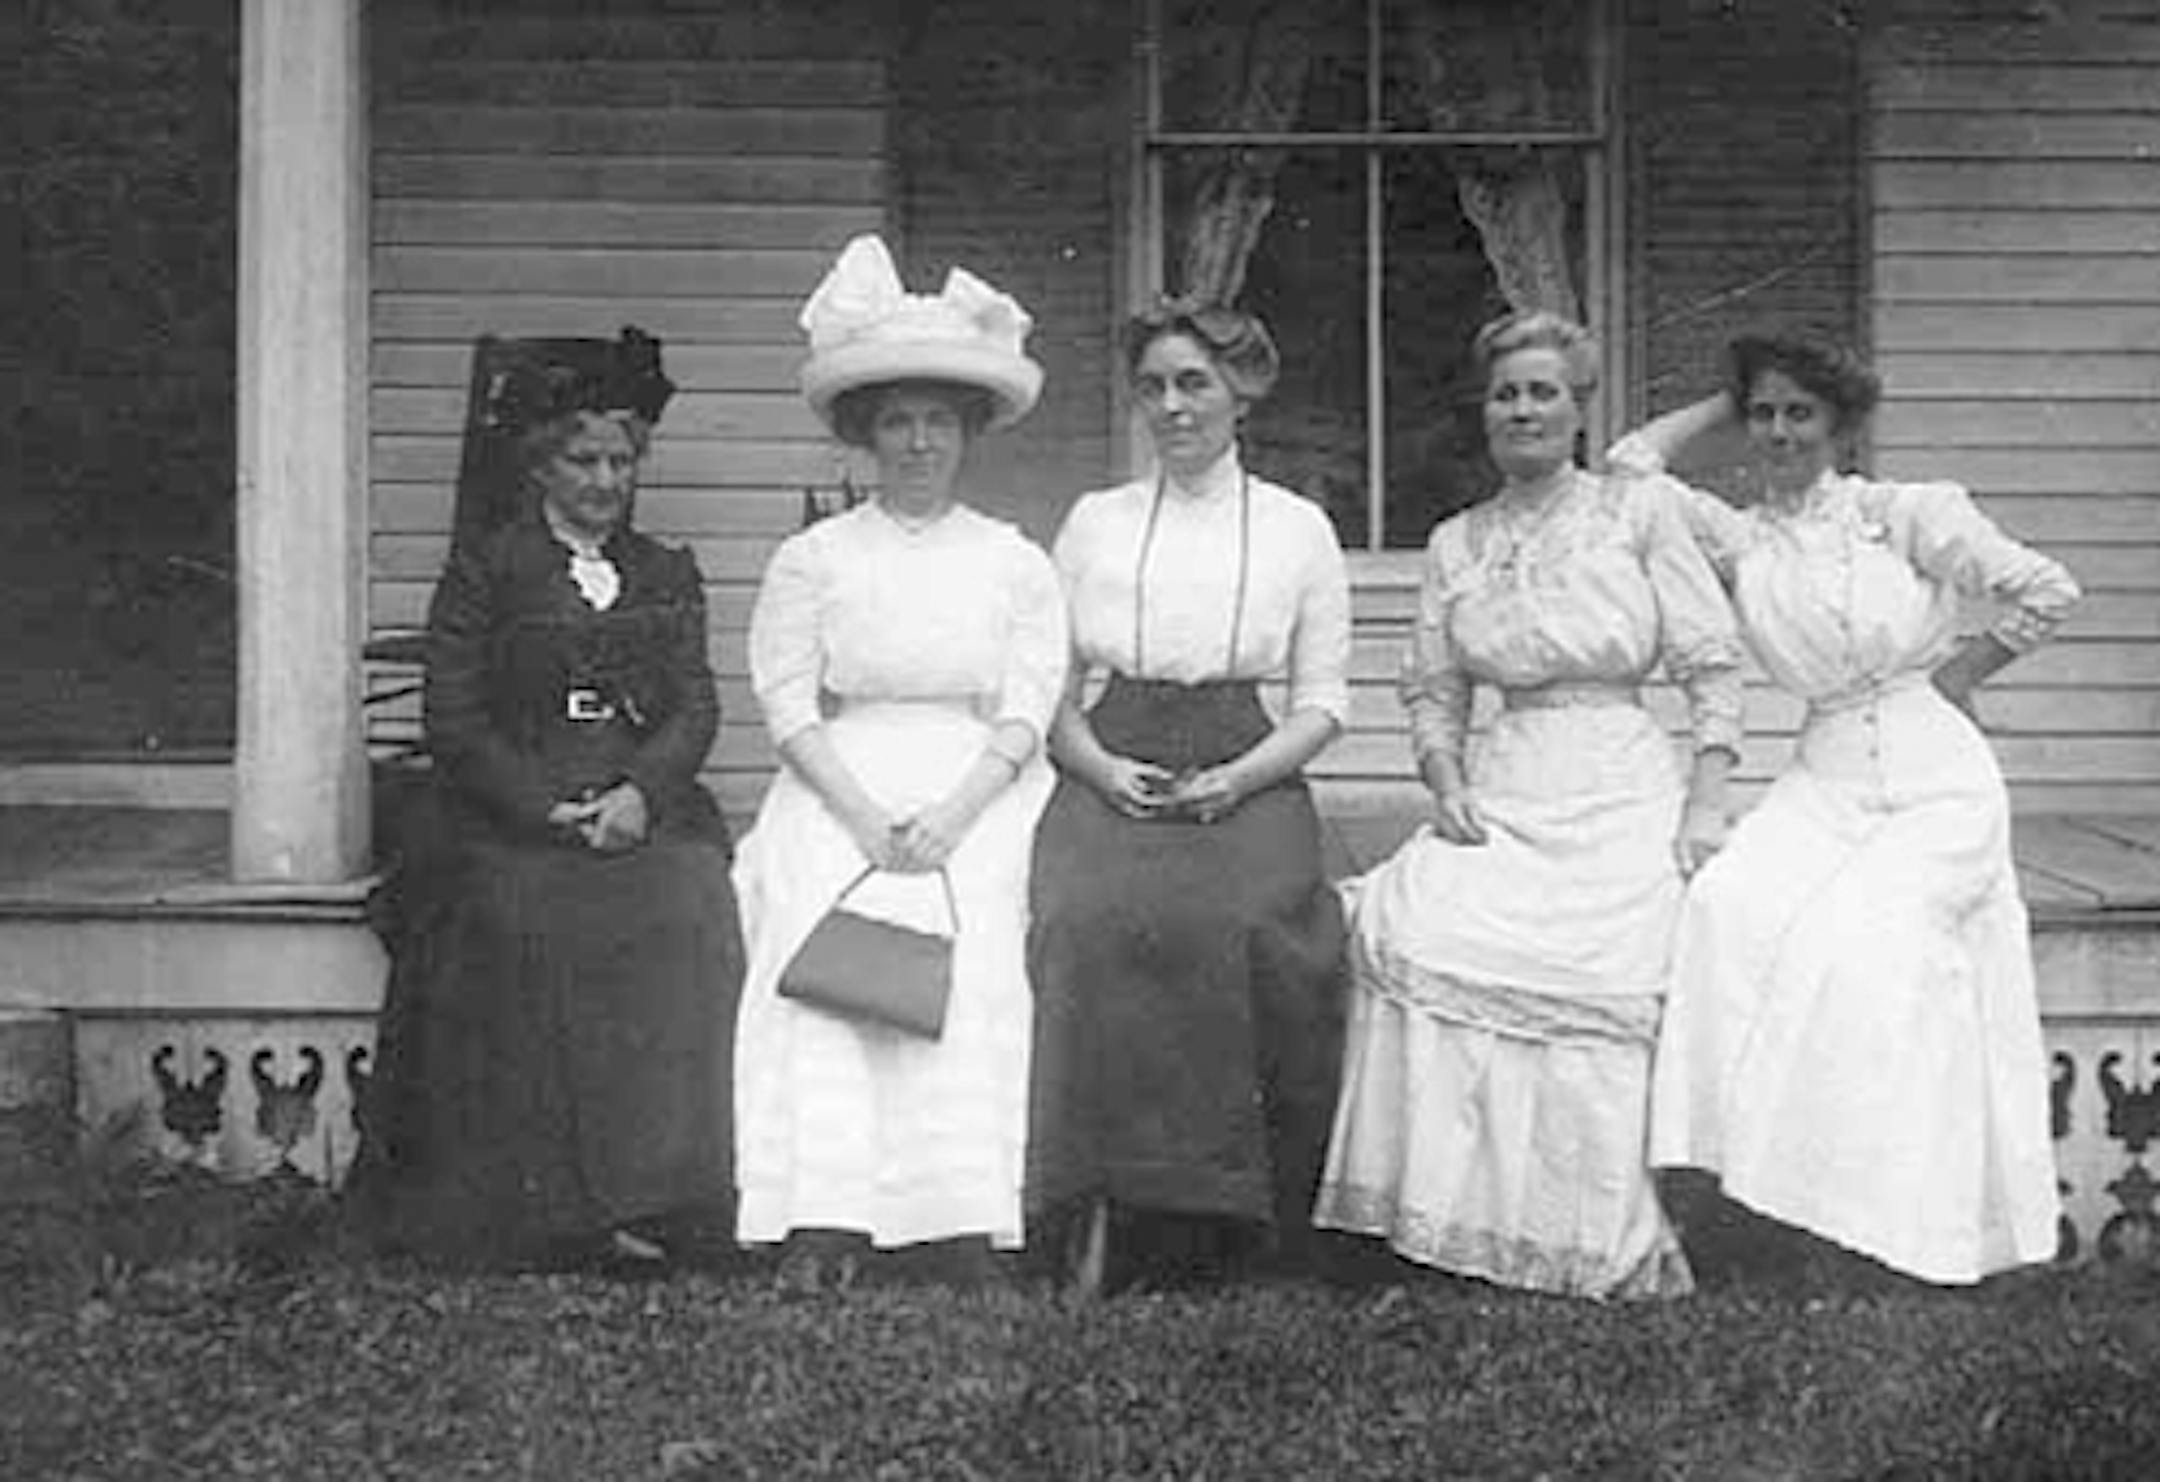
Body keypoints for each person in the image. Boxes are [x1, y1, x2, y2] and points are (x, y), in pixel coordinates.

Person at [1612, 329, 2079, 1285]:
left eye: (1802, 412)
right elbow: (1629, 469)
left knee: (1868, 943)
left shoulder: (1905, 514)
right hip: (1822, 778)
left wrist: (1956, 676)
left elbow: (2046, 590)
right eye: (1765, 415)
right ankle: (1746, 1194)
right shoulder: (1740, 537)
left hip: (1935, 781)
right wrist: (1726, 397)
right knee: (1725, 908)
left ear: (1842, 425)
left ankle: (1880, 1221)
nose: (1781, 432)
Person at [1312, 311, 1744, 1300]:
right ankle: (1451, 1227)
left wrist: (1706, 803)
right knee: (1414, 925)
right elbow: (1434, 689)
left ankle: (1584, 1238)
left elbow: (1711, 666)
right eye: (1506, 394)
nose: (1523, 410)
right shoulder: (1458, 541)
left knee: (1601, 967)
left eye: (1543, 391)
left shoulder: (1638, 512)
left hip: (1619, 779)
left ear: (1580, 408)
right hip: (1506, 782)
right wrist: (1447, 784)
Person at [352, 327, 744, 1269]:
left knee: (692, 900)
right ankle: (543, 1206)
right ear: (541, 466)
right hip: (511, 816)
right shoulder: (488, 571)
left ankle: (662, 1194)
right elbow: (454, 718)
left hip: (638, 811)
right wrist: (542, 807)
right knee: (513, 915)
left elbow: (694, 706)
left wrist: (642, 793)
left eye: (621, 462)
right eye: (584, 460)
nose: (606, 480)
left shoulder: (663, 573)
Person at [731, 237, 1067, 1286]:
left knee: (981, 938)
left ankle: (958, 1215)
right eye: (898, 422)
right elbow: (788, 701)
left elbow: (1029, 703)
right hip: (843, 777)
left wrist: (956, 816)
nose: (919, 442)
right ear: (867, 434)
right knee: (805, 918)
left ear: (966, 433)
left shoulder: (1013, 558)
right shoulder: (814, 558)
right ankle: (823, 1215)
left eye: (938, 422)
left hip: (979, 782)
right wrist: (866, 819)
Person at [1027, 299, 1352, 1293]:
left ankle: (1233, 1221)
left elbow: (1322, 703)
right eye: (1154, 387)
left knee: (1249, 923)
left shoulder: (1298, 528)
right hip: (1113, 752)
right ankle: (1093, 1211)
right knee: (1085, 918)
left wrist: (1239, 780)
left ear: (1241, 392)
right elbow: (1047, 688)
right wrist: (1098, 768)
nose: (1172, 406)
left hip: (1246, 759)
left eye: (1194, 383)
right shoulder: (1097, 521)